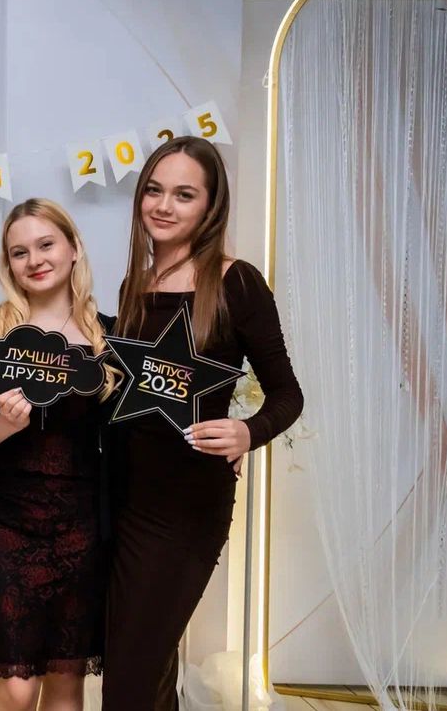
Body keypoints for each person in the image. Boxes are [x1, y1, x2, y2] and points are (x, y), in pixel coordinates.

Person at [101, 136, 303, 709]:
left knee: (129, 682)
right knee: (147, 669)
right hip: (124, 497)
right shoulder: (135, 284)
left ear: (210, 206)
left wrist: (247, 432)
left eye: (184, 194)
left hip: (185, 510)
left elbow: (288, 395)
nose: (163, 205)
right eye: (154, 190)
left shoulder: (237, 282)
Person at [0, 198, 119, 711]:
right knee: (17, 684)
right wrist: (6, 423)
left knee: (67, 680)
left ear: (74, 248)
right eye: (19, 252)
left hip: (83, 523)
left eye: (46, 244)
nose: (35, 260)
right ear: (9, 265)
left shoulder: (112, 336)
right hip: (5, 518)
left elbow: (137, 432)